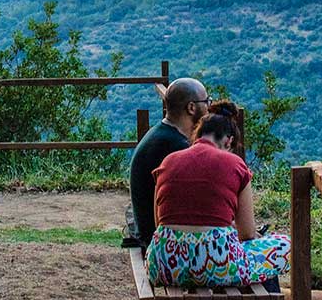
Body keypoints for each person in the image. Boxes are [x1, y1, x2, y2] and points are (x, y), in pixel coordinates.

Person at [144, 111, 291, 288]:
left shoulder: (168, 161)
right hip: (217, 265)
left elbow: (159, 223)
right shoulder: (235, 164)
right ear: (228, 141)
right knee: (285, 245)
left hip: (164, 265)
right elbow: (247, 234)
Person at [124, 77, 208, 248]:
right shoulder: (175, 148)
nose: (209, 107)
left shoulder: (160, 135)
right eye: (207, 102)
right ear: (191, 108)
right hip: (158, 242)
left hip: (149, 231)